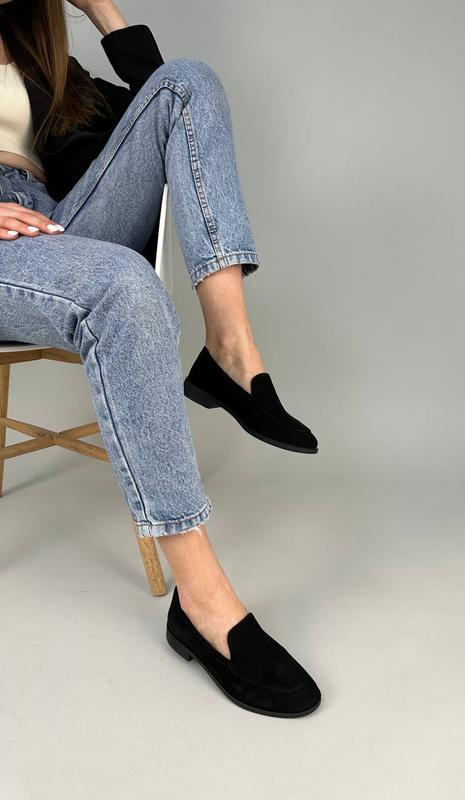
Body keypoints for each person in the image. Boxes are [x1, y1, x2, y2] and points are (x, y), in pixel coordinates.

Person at [0, 0, 321, 718]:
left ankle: (230, 349)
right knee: (126, 285)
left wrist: (100, 8)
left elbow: (160, 109)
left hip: (53, 220)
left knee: (188, 81)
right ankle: (204, 601)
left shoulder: (40, 58)